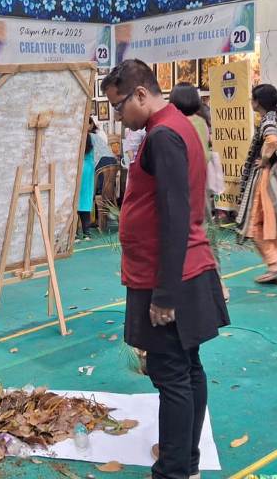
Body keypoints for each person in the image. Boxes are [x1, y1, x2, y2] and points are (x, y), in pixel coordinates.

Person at [102, 60, 229, 479]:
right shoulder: (177, 125)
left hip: (170, 274)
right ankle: (184, 461)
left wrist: (165, 295)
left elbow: (176, 217)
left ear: (141, 94)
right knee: (186, 369)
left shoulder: (163, 135)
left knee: (172, 373)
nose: (119, 117)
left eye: (118, 106)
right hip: (177, 268)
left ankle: (174, 469)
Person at [171, 83, 230, 303]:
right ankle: (217, 282)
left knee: (190, 233)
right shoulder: (202, 122)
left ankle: (205, 283)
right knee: (205, 231)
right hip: (201, 183)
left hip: (185, 183)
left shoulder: (178, 124)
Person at [234, 84, 277, 284]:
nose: (250, 102)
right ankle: (276, 266)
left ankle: (276, 265)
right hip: (274, 180)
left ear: (258, 102)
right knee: (271, 225)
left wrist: (263, 159)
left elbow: (271, 140)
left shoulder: (268, 119)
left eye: (252, 98)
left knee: (255, 225)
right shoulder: (275, 117)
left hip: (266, 180)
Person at [77, 133, 95, 241]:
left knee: (75, 204)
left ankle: (74, 234)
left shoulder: (76, 146)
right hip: (88, 173)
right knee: (86, 204)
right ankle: (86, 233)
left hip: (78, 170)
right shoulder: (91, 147)